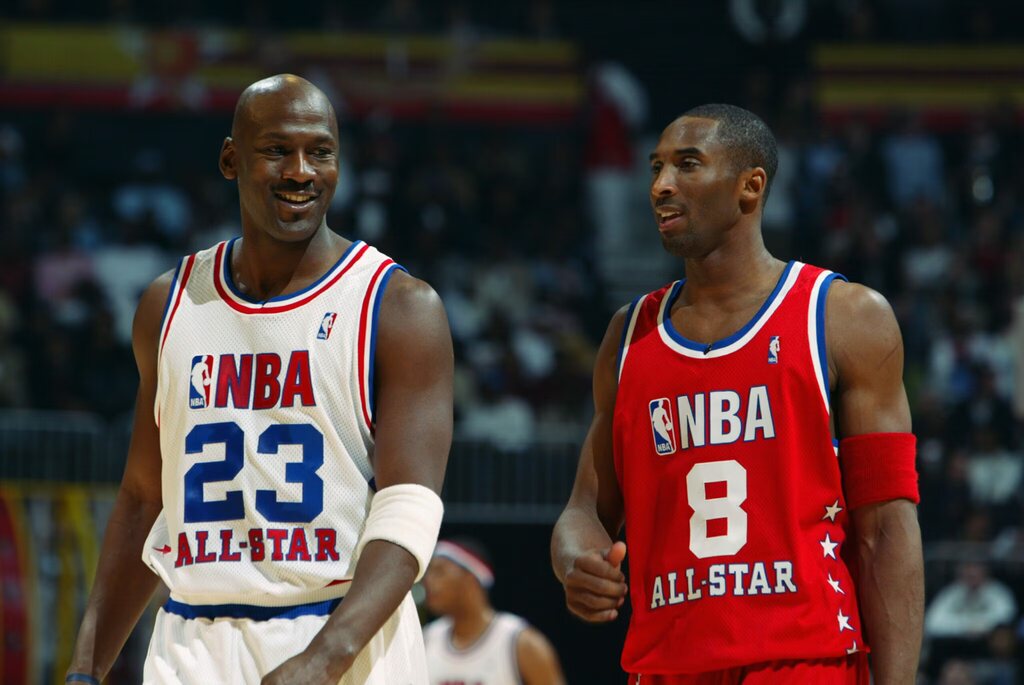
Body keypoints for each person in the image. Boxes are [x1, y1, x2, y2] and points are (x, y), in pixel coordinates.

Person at [65, 74, 454, 685]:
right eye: (277, 150)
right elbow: (145, 498)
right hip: (193, 634)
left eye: (320, 151)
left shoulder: (398, 306)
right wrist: (86, 670)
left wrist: (326, 658)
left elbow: (409, 508)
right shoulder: (168, 305)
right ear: (230, 159)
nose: (301, 171)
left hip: (342, 634)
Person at [551, 104, 924, 684]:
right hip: (665, 666)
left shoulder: (844, 317)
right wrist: (577, 560)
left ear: (751, 187)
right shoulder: (628, 335)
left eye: (687, 165)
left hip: (803, 658)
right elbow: (584, 511)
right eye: (655, 168)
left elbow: (887, 529)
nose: (660, 186)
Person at [422, 538, 566, 685]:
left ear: (471, 578)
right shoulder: (426, 640)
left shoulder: (521, 643)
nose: (428, 581)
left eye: (439, 572)